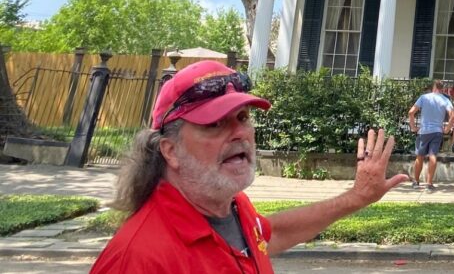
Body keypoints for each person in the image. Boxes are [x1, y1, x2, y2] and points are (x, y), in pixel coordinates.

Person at [91, 60, 407, 273]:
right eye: (215, 123)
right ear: (170, 150)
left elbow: (271, 235)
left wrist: (357, 196)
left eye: (243, 118)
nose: (240, 132)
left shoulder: (232, 207)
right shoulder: (138, 258)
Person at [407, 80, 454, 191]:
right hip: (437, 131)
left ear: (433, 87)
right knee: (433, 155)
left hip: (424, 131)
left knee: (420, 156)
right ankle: (429, 184)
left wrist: (413, 127)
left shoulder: (424, 98)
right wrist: (447, 129)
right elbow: (453, 116)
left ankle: (416, 182)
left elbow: (411, 112)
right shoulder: (445, 100)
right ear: (442, 88)